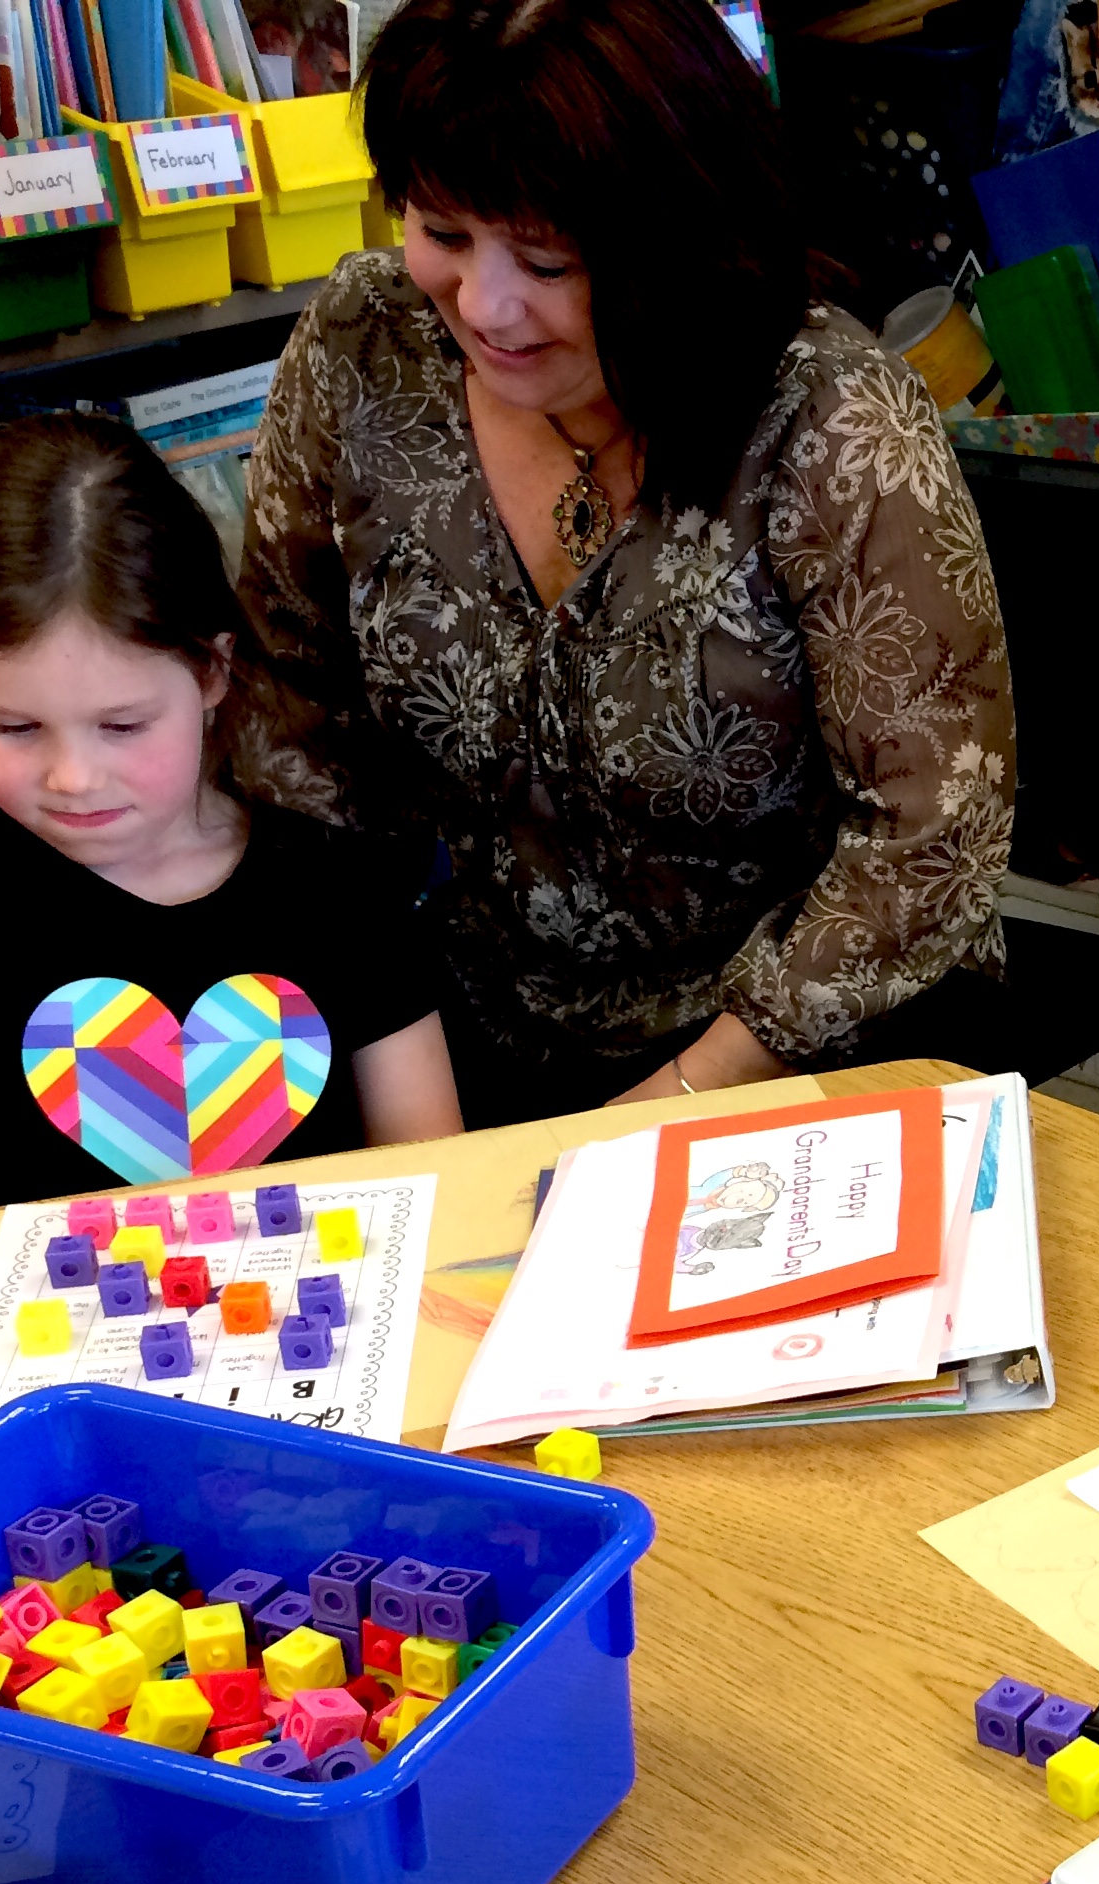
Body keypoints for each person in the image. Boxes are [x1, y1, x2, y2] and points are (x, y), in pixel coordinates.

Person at [240, 0, 1014, 1124]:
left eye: (547, 257)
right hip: (472, 1034)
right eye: (443, 234)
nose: (484, 305)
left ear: (680, 236)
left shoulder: (827, 418)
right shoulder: (366, 349)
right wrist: (369, 1025)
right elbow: (290, 720)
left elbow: (932, 836)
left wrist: (669, 1103)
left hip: (811, 1051)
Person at [0, 417, 464, 1221]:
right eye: (14, 727)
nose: (73, 777)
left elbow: (440, 1191)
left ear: (213, 668)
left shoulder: (346, 893)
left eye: (124, 725)